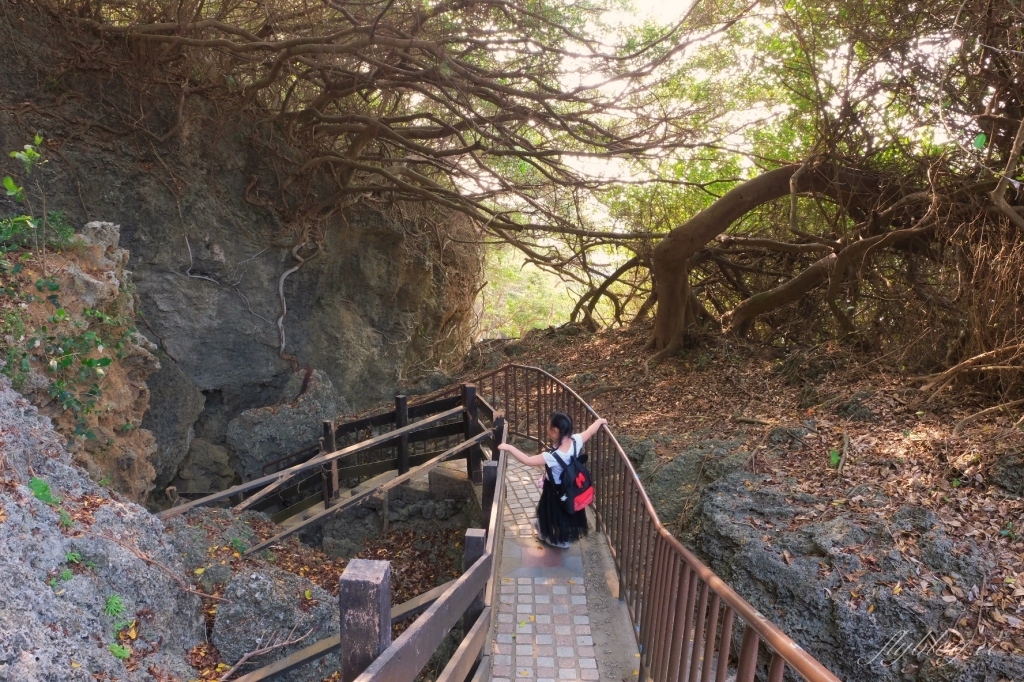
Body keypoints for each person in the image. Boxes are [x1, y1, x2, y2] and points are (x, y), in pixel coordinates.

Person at [498, 411, 607, 548]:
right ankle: (558, 535)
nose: (546, 428)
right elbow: (590, 432)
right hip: (570, 488)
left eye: (548, 426)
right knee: (565, 514)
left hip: (555, 490)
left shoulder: (551, 456)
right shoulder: (576, 440)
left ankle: (558, 540)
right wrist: (599, 421)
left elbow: (527, 460)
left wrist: (509, 447)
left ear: (555, 431)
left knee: (553, 513)